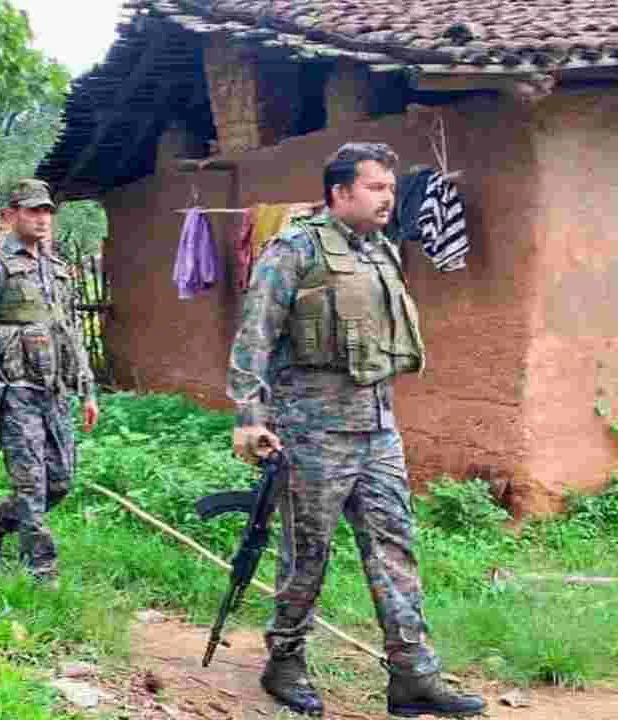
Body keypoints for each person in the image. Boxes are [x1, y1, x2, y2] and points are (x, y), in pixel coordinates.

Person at [226, 143, 486, 718]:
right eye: (375, 187)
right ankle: (284, 660)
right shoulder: (295, 248)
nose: (388, 198)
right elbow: (254, 334)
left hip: (377, 428)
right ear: (340, 192)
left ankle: (413, 675)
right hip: (312, 432)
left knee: (395, 548)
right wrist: (249, 416)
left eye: (390, 188)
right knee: (307, 553)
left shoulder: (381, 250)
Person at [0, 178, 99, 582]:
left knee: (60, 481)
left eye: (46, 211)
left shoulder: (57, 270)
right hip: (13, 390)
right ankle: (41, 570)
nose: (42, 218)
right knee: (31, 485)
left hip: (53, 390)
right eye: (33, 210)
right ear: (11, 215)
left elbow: (72, 333)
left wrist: (87, 390)